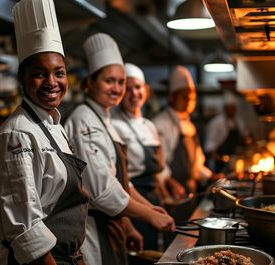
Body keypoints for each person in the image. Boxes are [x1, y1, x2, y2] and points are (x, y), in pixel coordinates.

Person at [0, 0, 89, 264]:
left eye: (59, 73)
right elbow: (26, 226)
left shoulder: (54, 126)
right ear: (22, 78)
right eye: (40, 74)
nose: (52, 82)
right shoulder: (17, 134)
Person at [64, 33, 175, 265]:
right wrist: (148, 215)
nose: (117, 88)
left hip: (113, 225)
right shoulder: (84, 121)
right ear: (90, 83)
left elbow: (121, 181)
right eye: (109, 81)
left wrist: (139, 215)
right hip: (94, 229)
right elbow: (102, 191)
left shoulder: (104, 119)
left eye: (120, 81)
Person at [111, 63, 167, 251]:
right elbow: (119, 180)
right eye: (128, 88)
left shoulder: (149, 125)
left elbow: (158, 169)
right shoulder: (114, 125)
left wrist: (164, 194)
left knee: (158, 252)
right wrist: (129, 222)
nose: (134, 93)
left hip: (153, 198)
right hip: (132, 201)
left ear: (146, 90)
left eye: (138, 87)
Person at [151, 66, 214, 217]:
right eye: (184, 97)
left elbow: (196, 164)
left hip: (190, 191)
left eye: (192, 98)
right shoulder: (160, 123)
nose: (189, 102)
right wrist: (170, 182)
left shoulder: (189, 125)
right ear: (171, 97)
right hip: (170, 193)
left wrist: (211, 176)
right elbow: (157, 164)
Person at [204, 91, 251, 173]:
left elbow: (246, 136)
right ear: (225, 108)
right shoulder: (216, 123)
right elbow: (210, 146)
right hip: (219, 163)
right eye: (229, 108)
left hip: (235, 162)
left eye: (233, 108)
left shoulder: (238, 121)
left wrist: (248, 142)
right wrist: (218, 157)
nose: (232, 111)